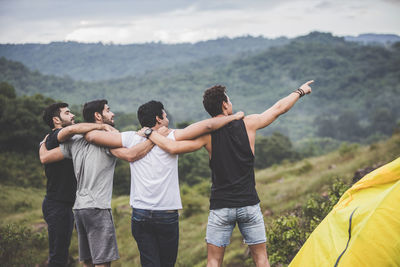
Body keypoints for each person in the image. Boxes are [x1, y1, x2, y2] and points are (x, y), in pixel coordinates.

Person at [145, 80, 314, 267]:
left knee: (214, 261)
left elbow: (172, 148)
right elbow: (279, 108)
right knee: (261, 259)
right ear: (225, 104)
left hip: (221, 207)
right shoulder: (248, 124)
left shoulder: (207, 135)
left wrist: (149, 133)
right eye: (229, 100)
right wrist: (300, 91)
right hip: (249, 204)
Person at [85, 100, 244, 267]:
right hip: (166, 214)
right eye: (165, 114)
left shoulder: (131, 137)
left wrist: (107, 128)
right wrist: (234, 117)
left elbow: (91, 136)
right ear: (158, 119)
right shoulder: (172, 136)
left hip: (140, 213)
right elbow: (208, 126)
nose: (167, 117)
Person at [40, 99, 153, 267]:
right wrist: (153, 137)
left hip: (79, 208)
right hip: (96, 207)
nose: (112, 113)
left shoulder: (74, 141)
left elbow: (45, 157)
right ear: (98, 116)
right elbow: (130, 155)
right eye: (108, 110)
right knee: (101, 262)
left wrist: (42, 143)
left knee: (88, 261)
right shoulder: (103, 139)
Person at [40, 102, 114, 267]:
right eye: (67, 113)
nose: (72, 115)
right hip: (57, 204)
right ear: (56, 120)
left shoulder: (68, 142)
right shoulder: (56, 135)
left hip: (69, 205)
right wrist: (102, 127)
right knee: (58, 257)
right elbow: (72, 130)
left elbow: (45, 157)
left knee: (65, 254)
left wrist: (41, 148)